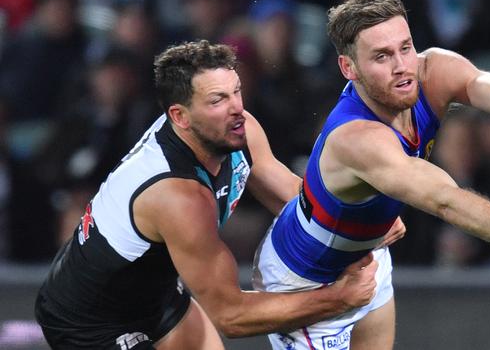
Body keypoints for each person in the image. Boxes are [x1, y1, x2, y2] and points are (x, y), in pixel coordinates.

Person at [252, 0, 490, 350]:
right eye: (382, 56)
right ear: (348, 68)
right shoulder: (356, 138)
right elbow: (444, 200)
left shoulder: (432, 69)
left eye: (405, 47)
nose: (402, 65)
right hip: (309, 279)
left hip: (365, 256)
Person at [34, 40, 410, 350]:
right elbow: (231, 315)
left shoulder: (236, 128)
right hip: (88, 322)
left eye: (236, 92)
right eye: (217, 101)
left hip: (156, 293)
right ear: (180, 117)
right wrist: (339, 300)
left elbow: (283, 190)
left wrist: (356, 220)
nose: (236, 110)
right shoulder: (177, 196)